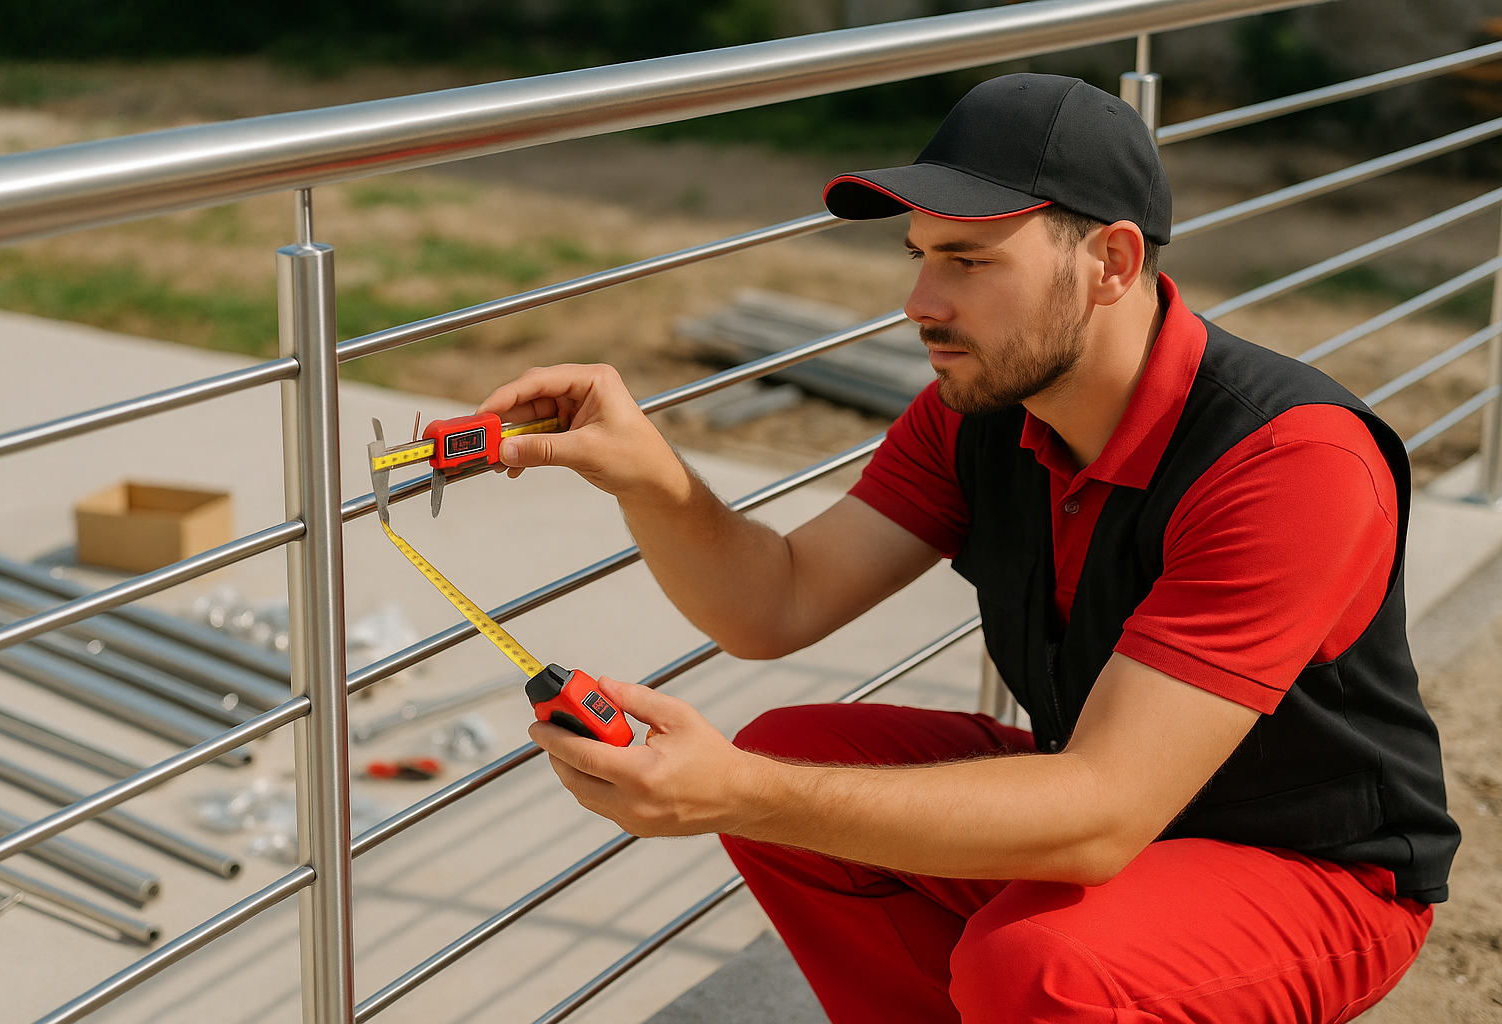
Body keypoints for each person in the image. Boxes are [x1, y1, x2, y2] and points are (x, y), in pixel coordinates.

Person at [477, 74, 1460, 1023]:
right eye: (920, 254)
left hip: (1315, 867)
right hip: (1117, 806)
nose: (919, 301)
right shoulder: (979, 415)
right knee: (791, 757)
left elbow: (1102, 811)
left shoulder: (1289, 457)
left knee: (1037, 967)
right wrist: (648, 470)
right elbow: (771, 602)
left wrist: (735, 790)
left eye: (970, 261)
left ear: (1113, 262)